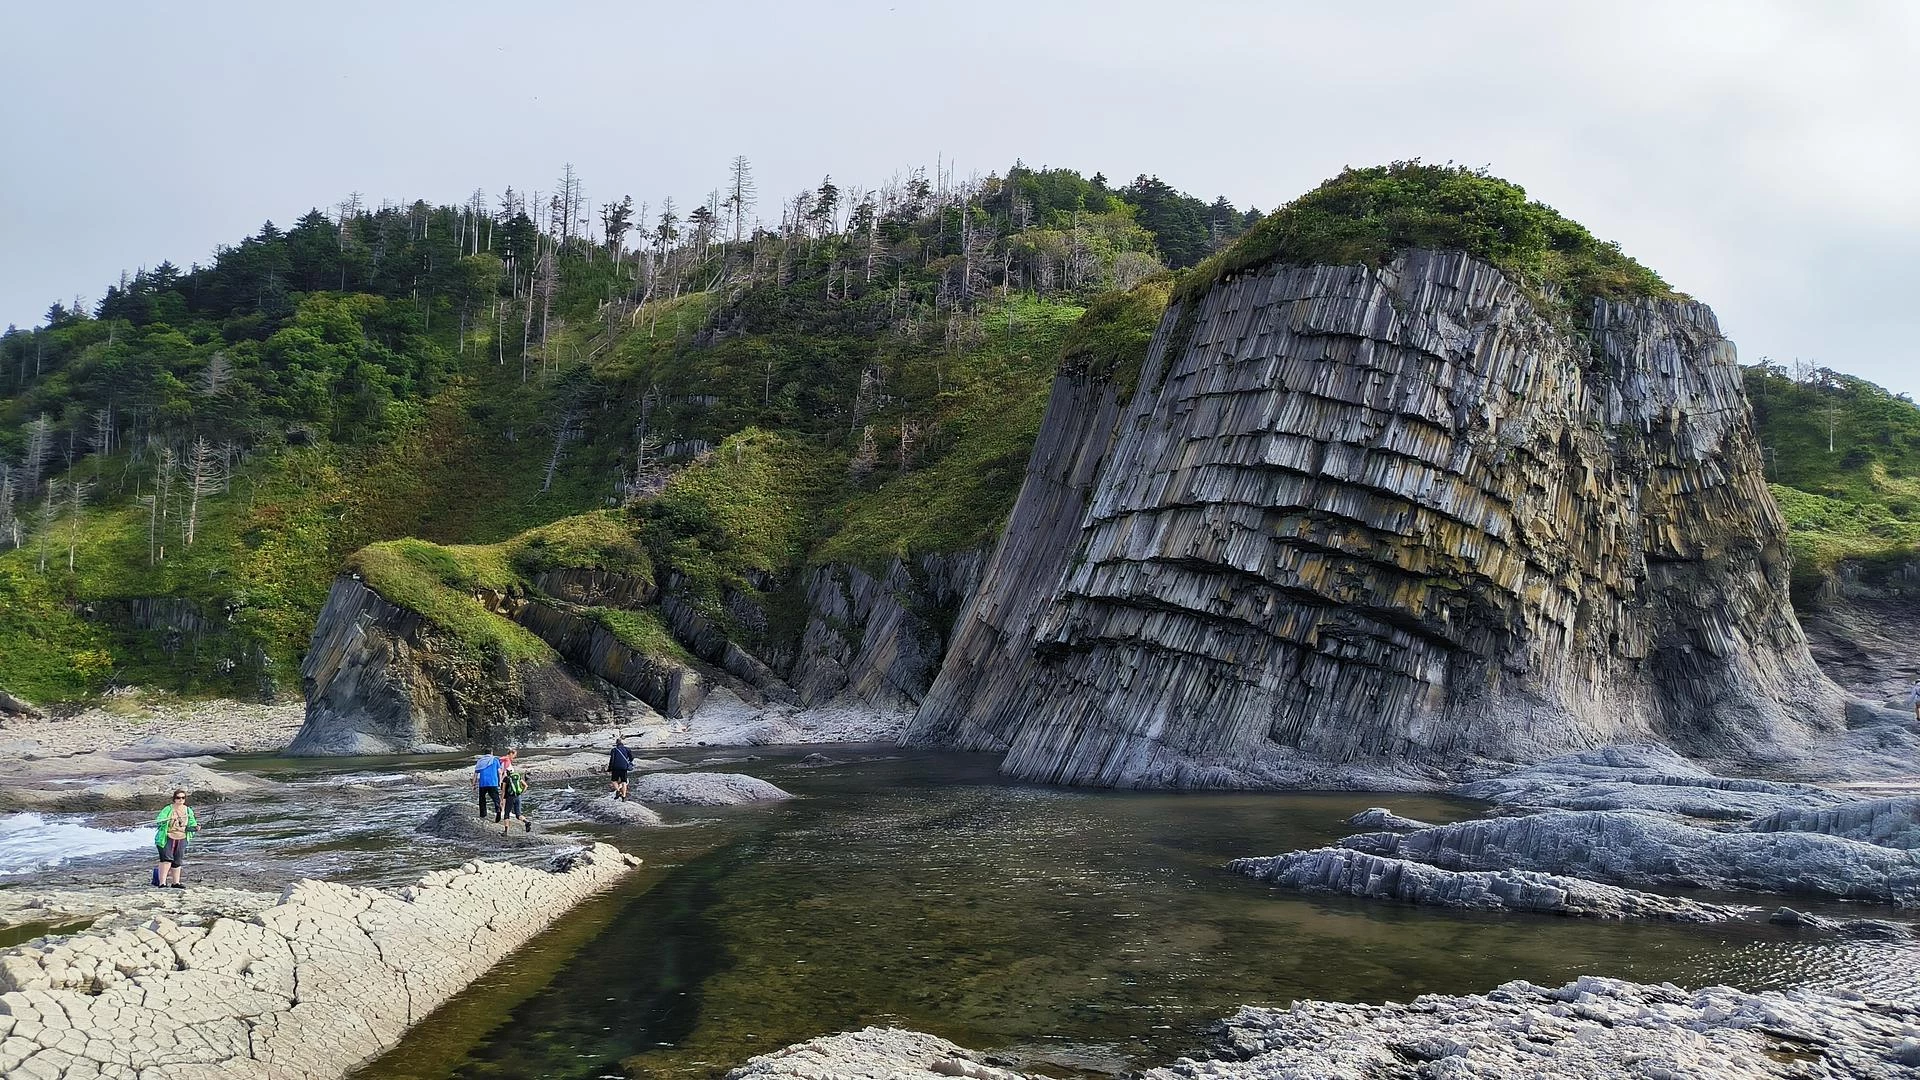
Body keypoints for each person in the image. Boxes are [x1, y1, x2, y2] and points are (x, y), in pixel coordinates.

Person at [152, 789, 197, 889]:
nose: (180, 800)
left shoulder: (188, 810)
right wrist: (166, 820)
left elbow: (192, 823)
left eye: (183, 798)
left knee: (177, 861)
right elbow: (159, 821)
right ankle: (162, 883)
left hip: (182, 838)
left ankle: (176, 882)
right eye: (178, 798)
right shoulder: (168, 809)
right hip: (167, 837)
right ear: (174, 799)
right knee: (166, 860)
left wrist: (195, 827)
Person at [500, 750, 532, 834]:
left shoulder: (506, 779)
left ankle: (505, 832)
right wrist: (520, 792)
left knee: (506, 814)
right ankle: (526, 822)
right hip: (517, 796)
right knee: (518, 814)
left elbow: (503, 791)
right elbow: (526, 786)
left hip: (509, 797)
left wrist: (501, 800)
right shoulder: (517, 776)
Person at [474, 751, 504, 822]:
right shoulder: (495, 759)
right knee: (496, 798)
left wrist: (474, 783)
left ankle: (483, 814)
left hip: (483, 782)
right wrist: (500, 781)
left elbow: (475, 773)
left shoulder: (480, 761)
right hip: (493, 782)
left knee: (482, 798)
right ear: (492, 752)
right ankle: (498, 809)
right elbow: (499, 772)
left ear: (484, 753)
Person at [608, 737, 635, 801]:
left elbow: (612, 760)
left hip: (615, 767)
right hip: (624, 767)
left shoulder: (614, 750)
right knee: (624, 782)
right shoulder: (627, 749)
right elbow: (631, 758)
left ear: (616, 743)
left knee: (614, 780)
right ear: (622, 743)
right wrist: (628, 762)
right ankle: (623, 796)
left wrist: (610, 768)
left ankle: (617, 790)